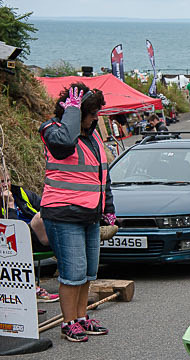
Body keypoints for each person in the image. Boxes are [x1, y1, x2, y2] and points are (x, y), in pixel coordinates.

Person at [39, 84, 115, 342]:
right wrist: (71, 114)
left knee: (87, 273)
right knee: (72, 274)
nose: (96, 117)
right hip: (63, 213)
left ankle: (81, 317)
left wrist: (109, 210)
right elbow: (64, 145)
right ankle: (67, 322)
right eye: (91, 112)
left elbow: (102, 175)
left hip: (89, 214)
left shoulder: (92, 136)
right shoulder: (52, 130)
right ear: (75, 111)